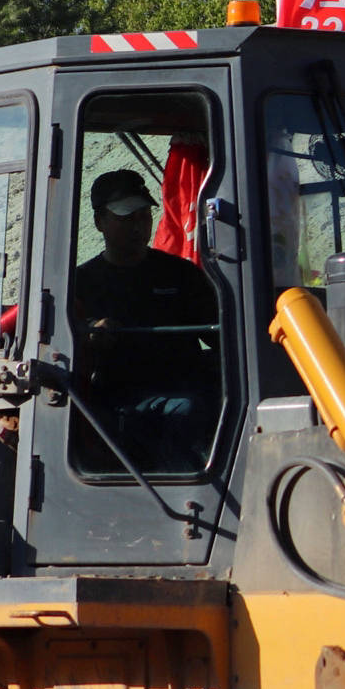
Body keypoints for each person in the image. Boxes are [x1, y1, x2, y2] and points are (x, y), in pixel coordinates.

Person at [70, 168, 220, 475]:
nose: (138, 225)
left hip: (184, 387)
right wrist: (89, 337)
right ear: (100, 222)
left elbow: (220, 334)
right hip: (117, 395)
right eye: (126, 217)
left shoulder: (181, 274)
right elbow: (62, 348)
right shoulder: (81, 283)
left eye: (143, 215)